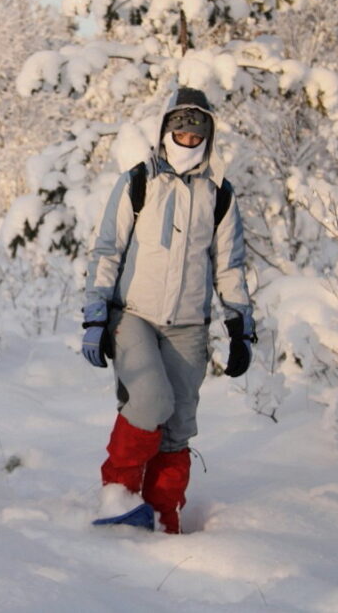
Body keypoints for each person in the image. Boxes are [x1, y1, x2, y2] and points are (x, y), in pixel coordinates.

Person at [82, 86, 255, 534]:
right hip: (134, 315)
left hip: (190, 326)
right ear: (165, 130)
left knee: (178, 426)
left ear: (209, 135)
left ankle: (163, 517)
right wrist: (95, 317)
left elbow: (229, 265)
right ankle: (117, 497)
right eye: (181, 128)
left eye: (198, 130)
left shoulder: (219, 194)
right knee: (149, 400)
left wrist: (240, 325)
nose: (188, 138)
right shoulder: (138, 182)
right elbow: (107, 251)